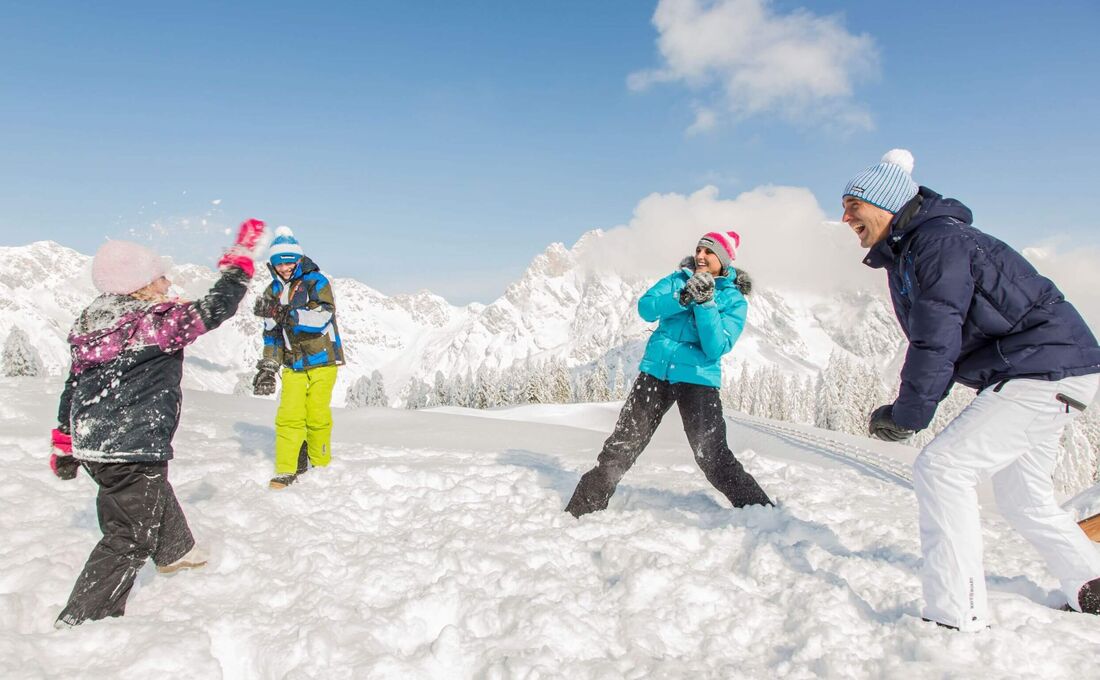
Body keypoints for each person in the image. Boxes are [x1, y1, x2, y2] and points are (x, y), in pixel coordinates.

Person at [841, 149, 1100, 630]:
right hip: (1053, 368)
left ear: (887, 203)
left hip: (1041, 370)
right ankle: (1093, 585)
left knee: (942, 468)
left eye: (854, 203)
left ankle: (955, 614)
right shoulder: (924, 244)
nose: (845, 215)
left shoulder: (936, 243)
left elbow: (936, 336)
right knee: (1022, 496)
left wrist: (907, 415)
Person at [52, 219, 265, 628]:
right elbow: (214, 309)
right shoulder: (153, 322)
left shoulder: (92, 322)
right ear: (140, 285)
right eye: (160, 277)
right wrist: (238, 265)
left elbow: (74, 383)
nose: (168, 283)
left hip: (94, 442)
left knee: (144, 491)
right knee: (129, 534)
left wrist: (63, 438)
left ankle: (177, 551)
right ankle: (83, 618)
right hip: (131, 443)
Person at [565, 231, 773, 517]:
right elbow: (646, 308)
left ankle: (762, 512)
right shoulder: (677, 280)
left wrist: (705, 304)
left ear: (722, 259)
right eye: (699, 249)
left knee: (712, 456)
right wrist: (683, 296)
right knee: (622, 445)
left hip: (698, 379)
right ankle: (579, 511)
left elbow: (715, 347)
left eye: (708, 252)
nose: (700, 255)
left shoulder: (734, 300)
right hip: (655, 373)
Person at [252, 227, 344, 489]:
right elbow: (272, 334)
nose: (285, 268)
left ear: (299, 258)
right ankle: (286, 469)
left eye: (289, 261)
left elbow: (322, 316)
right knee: (289, 415)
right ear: (273, 264)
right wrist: (269, 367)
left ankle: (321, 463)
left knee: (316, 415)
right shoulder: (271, 291)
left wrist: (287, 315)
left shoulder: (317, 282)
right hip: (292, 363)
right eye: (279, 263)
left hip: (322, 359)